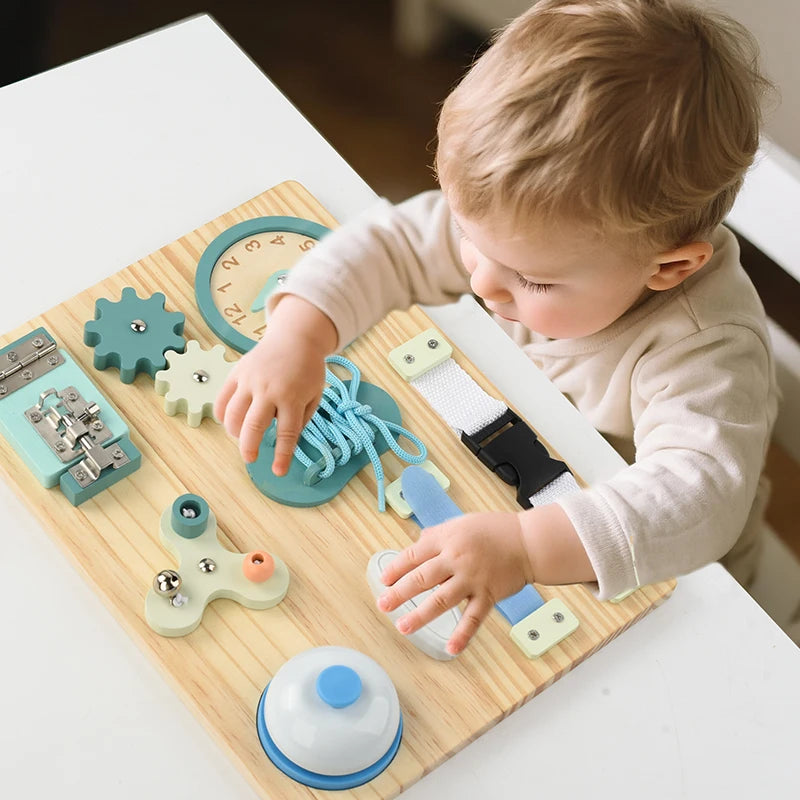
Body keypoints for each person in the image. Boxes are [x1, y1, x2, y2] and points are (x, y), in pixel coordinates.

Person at [215, 0, 778, 655]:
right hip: (519, 474)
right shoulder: (525, 238)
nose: (479, 280)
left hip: (667, 583)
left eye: (532, 281)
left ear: (669, 268)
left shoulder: (707, 348)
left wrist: (526, 546)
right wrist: (298, 334)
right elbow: (393, 244)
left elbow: (700, 498)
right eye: (465, 235)